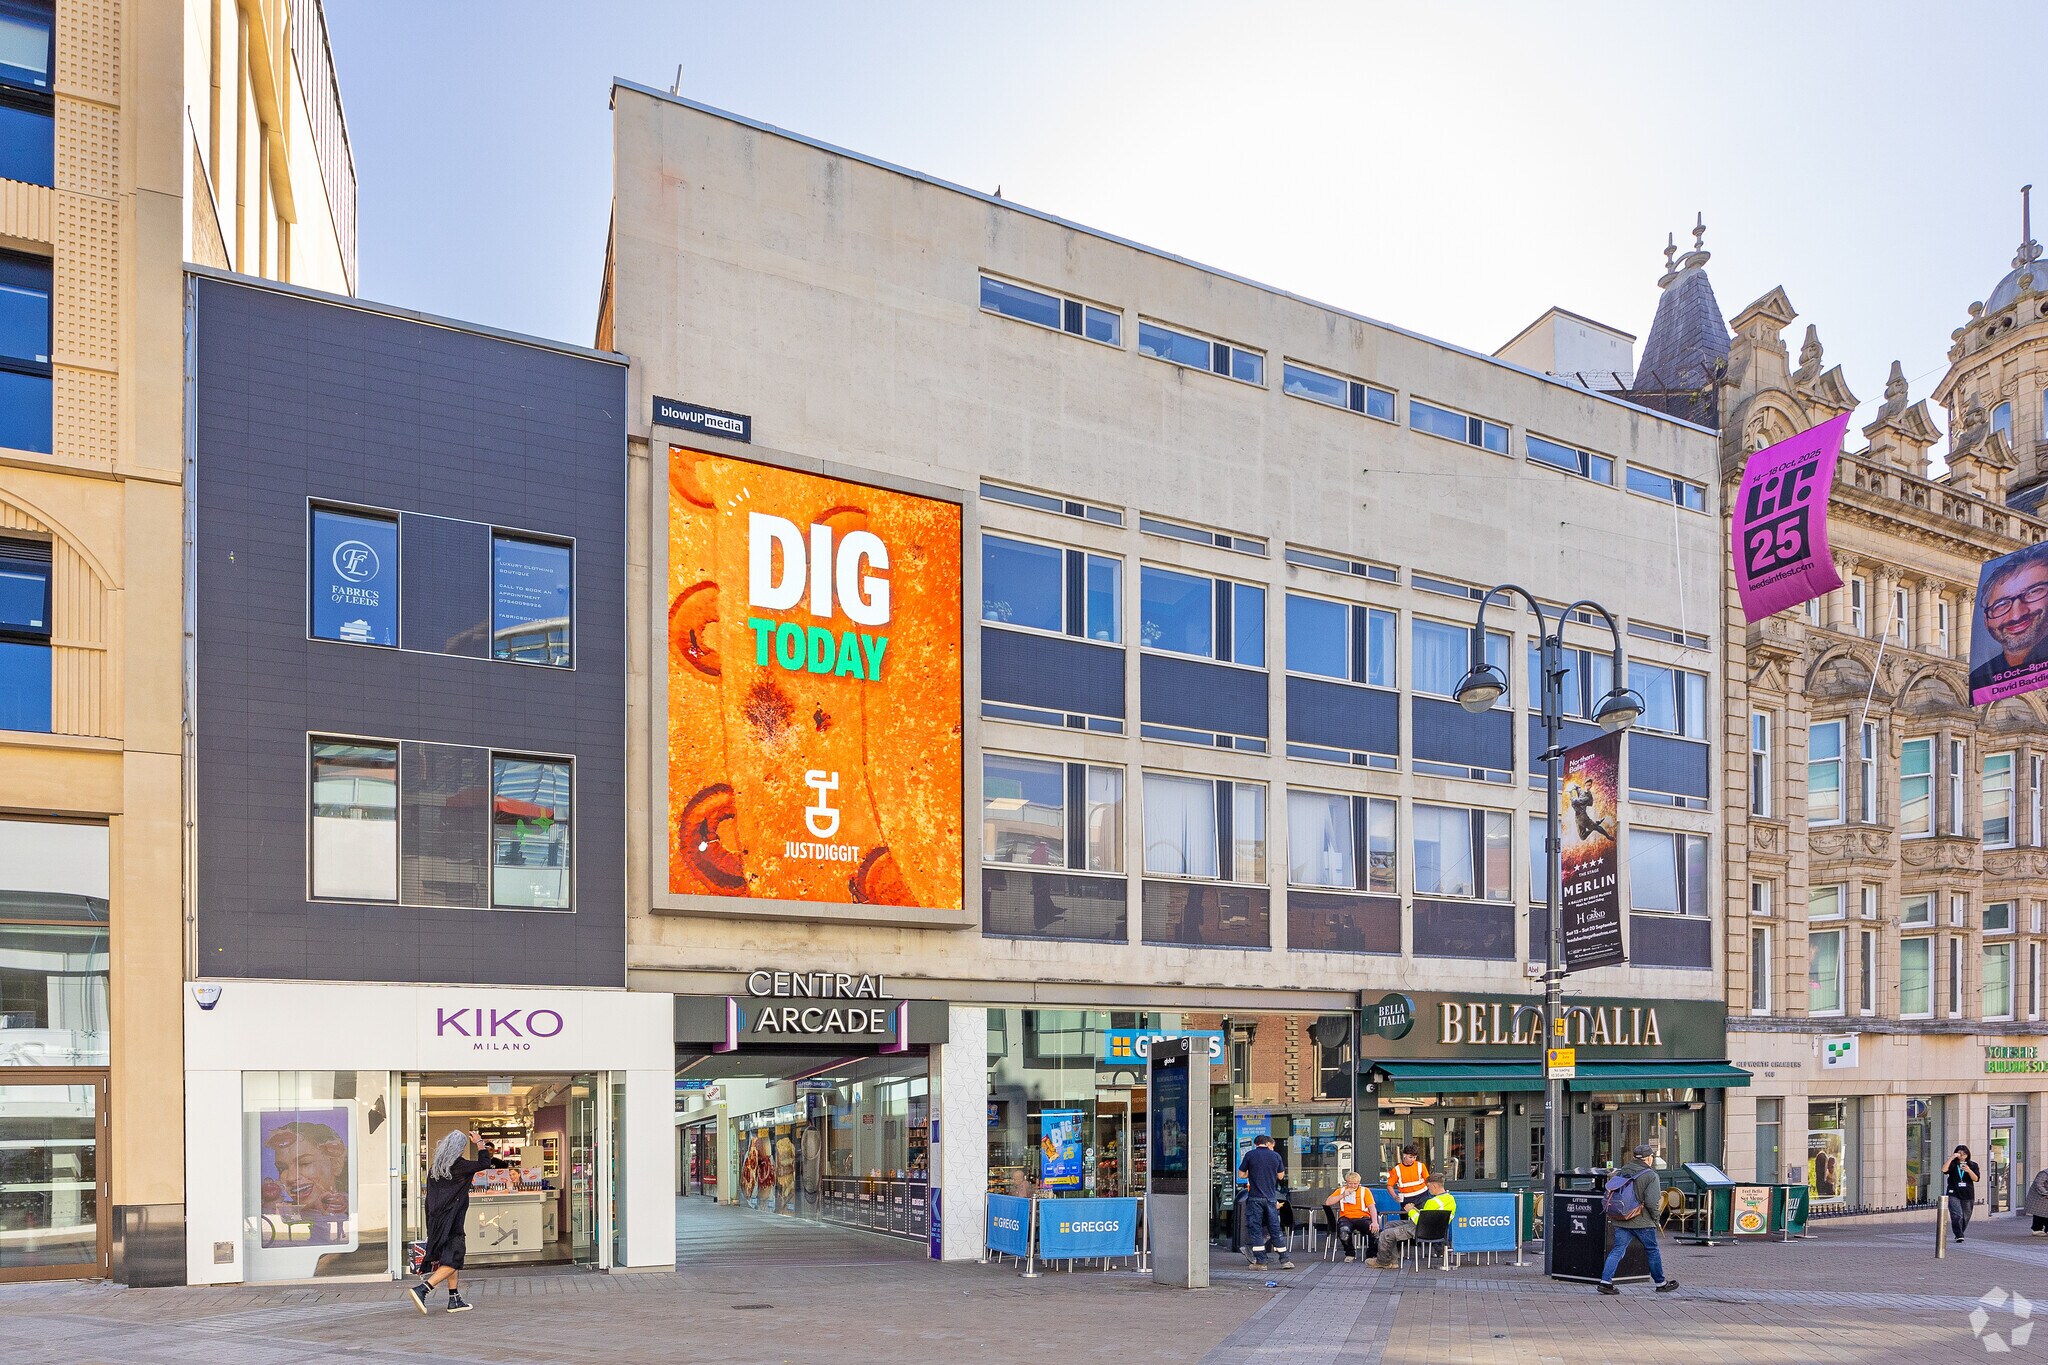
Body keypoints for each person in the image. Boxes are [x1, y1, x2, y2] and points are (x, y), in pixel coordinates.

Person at [407, 1130, 509, 1314]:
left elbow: (429, 1197)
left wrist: (431, 1223)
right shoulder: (459, 1165)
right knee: (454, 1259)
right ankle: (423, 1289)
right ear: (460, 1148)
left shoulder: (435, 1169)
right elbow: (485, 1162)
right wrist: (479, 1142)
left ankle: (454, 1299)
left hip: (436, 1220)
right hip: (452, 1220)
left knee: (449, 1258)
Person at [1598, 1143, 1679, 1295]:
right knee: (1652, 1250)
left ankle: (1605, 1282)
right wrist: (1656, 1219)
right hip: (1642, 1220)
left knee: (1617, 1250)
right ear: (1649, 1158)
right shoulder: (1651, 1176)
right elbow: (1652, 1201)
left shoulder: (1622, 1172)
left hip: (1621, 1218)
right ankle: (1661, 1283)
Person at [1971, 545, 2048, 696]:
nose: (2016, 615)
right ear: (1986, 621)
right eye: (2001, 605)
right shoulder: (1979, 678)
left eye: (2032, 593)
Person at [1237, 1133, 1294, 1271]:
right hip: (1270, 1198)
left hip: (1255, 1198)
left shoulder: (1250, 1155)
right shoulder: (1276, 1156)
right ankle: (1285, 1260)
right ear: (1267, 1143)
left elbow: (1241, 1174)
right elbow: (1280, 1176)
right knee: (1275, 1228)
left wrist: (1253, 1172)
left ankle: (1261, 1262)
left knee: (1255, 1228)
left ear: (1255, 1144)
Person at [1372, 1174, 1455, 1268]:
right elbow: (1429, 1215)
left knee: (1386, 1234)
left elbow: (1421, 1221)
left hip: (1422, 1230)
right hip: (1438, 1230)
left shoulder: (1432, 1202)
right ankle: (1393, 1261)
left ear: (1434, 1185)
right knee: (1390, 1224)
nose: (1428, 1189)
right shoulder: (1450, 1199)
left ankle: (1383, 1262)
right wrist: (1415, 1209)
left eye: (1428, 1186)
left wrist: (1410, 1211)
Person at [1323, 1169, 1381, 1263]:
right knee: (1343, 1230)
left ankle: (1371, 1255)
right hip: (1346, 1218)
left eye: (1355, 1183)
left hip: (1362, 1217)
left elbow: (1372, 1207)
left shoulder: (1365, 1191)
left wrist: (1375, 1222)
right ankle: (1350, 1253)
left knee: (1375, 1230)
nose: (1353, 1186)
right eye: (1350, 1183)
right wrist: (1342, 1195)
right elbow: (1328, 1202)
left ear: (1359, 1182)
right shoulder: (1341, 1190)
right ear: (1346, 1183)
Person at [1945, 1145, 1982, 1242]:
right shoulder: (1953, 1165)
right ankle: (1959, 1234)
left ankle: (1960, 1232)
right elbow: (1944, 1170)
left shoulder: (1973, 1165)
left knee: (1966, 1216)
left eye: (1964, 1154)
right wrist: (1951, 1158)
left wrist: (1968, 1170)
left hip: (1967, 1193)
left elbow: (1976, 1179)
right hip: (1953, 1193)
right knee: (1957, 1215)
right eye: (1959, 1154)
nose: (1962, 1156)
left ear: (1967, 1155)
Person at [1385, 1143, 1430, 1212]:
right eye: (1410, 1157)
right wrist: (1395, 1196)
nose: (1412, 1160)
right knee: (1406, 1220)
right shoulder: (1397, 1169)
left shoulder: (1421, 1166)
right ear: (1404, 1155)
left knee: (1422, 1220)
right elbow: (1389, 1185)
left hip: (1422, 1197)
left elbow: (1428, 1181)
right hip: (1406, 1199)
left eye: (1414, 1157)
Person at [2025, 1167, 2048, 1235]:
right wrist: (2046, 1193)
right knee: (2039, 1214)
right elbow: (2038, 1184)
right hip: (2039, 1198)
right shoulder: (2044, 1173)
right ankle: (2037, 1229)